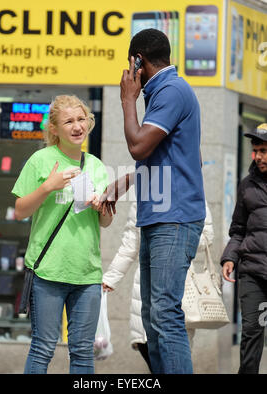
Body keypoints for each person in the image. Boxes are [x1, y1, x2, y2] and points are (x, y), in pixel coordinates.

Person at [118, 28, 206, 374]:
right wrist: (125, 181)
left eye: (131, 63)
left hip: (175, 218)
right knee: (152, 316)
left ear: (138, 60)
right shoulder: (162, 94)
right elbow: (177, 159)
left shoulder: (171, 90)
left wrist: (127, 99)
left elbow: (138, 146)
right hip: (159, 215)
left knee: (165, 314)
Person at [11, 95, 113, 374]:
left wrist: (102, 207)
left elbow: (104, 222)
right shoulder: (40, 160)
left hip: (87, 274)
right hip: (48, 271)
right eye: (69, 121)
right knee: (43, 348)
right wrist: (48, 187)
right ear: (54, 128)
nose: (77, 126)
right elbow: (20, 211)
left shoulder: (96, 165)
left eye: (81, 119)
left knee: (83, 352)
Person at [102, 200, 214, 373]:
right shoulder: (141, 197)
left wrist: (172, 240)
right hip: (145, 285)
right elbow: (130, 244)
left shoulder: (190, 191)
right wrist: (110, 278)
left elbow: (207, 235)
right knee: (149, 348)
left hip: (178, 280)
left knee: (173, 346)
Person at [221, 123, 267, 374]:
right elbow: (238, 229)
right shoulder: (247, 185)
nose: (258, 156)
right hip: (253, 273)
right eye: (255, 150)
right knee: (252, 332)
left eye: (263, 150)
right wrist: (230, 257)